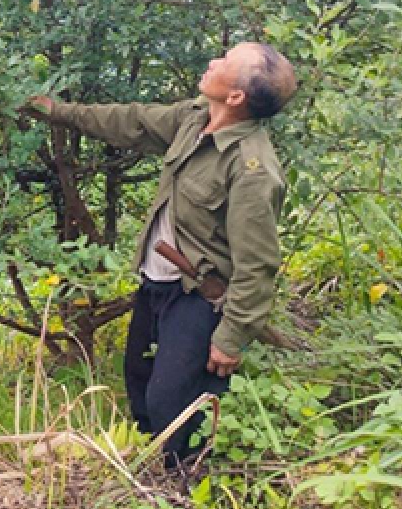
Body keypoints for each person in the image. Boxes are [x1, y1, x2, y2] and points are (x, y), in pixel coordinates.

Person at [29, 42, 297, 467]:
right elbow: (130, 121)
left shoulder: (251, 169)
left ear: (236, 96)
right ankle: (147, 479)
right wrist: (57, 111)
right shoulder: (194, 120)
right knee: (139, 382)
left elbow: (257, 264)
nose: (213, 61)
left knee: (172, 403)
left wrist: (230, 338)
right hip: (158, 282)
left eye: (226, 62)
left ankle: (181, 492)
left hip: (198, 297)